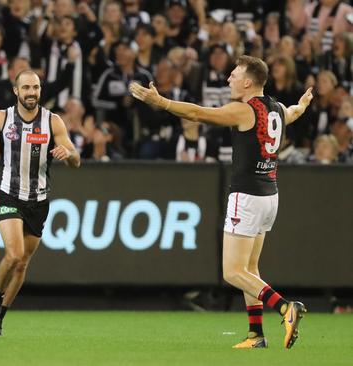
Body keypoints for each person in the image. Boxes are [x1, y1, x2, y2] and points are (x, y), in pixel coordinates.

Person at [129, 55, 312, 349]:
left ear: (248, 82)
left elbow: (199, 114)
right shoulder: (276, 108)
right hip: (270, 195)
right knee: (250, 270)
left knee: (232, 272)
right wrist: (302, 106)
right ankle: (256, 335)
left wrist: (160, 101)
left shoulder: (244, 110)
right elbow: (292, 113)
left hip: (247, 196)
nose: (229, 79)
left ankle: (284, 308)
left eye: (234, 74)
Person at [0, 69, 81, 336]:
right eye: (26, 88)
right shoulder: (2, 117)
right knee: (13, 254)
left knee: (22, 263)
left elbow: (76, 161)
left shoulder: (53, 121)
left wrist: (69, 153)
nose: (31, 93)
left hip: (38, 200)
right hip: (8, 195)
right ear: (16, 91)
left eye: (35, 88)